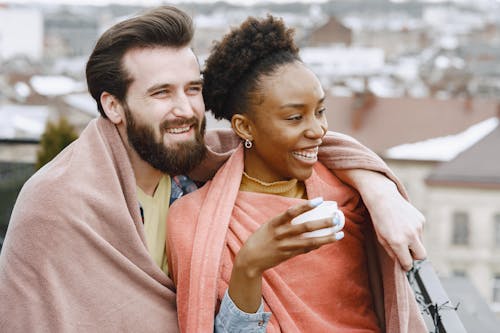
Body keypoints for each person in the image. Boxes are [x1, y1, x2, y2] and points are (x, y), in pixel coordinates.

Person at [0, 6, 423, 332]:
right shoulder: (58, 205)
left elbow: (315, 145)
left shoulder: (203, 170)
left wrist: (382, 192)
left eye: (193, 89)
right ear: (114, 105)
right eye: (162, 93)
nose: (185, 109)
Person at [166, 16, 427, 332]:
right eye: (294, 118)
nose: (318, 130)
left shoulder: (348, 190)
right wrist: (249, 266)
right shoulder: (194, 221)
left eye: (320, 111)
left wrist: (383, 192)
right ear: (244, 127)